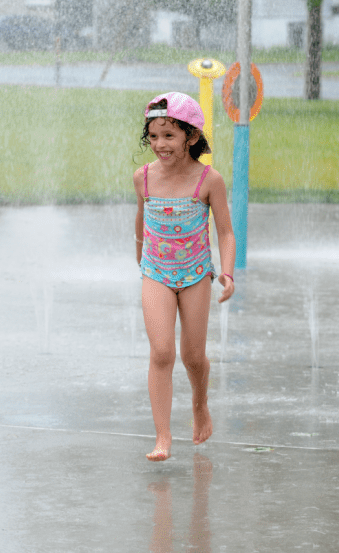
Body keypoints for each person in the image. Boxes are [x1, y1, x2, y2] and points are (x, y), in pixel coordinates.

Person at [134, 92, 235, 462]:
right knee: (162, 352)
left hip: (194, 275)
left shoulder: (209, 181)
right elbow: (141, 222)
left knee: (193, 357)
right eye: (154, 136)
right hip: (156, 273)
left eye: (169, 136)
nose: (159, 144)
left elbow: (225, 231)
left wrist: (227, 272)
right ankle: (163, 436)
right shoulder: (143, 178)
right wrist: (139, 257)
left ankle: (200, 405)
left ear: (191, 137)